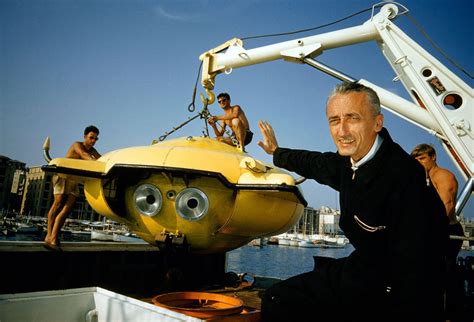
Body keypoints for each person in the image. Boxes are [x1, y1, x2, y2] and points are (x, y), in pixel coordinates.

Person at [257, 82, 448, 322]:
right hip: (364, 265)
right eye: (334, 120)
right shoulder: (349, 163)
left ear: (377, 123)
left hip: (399, 283)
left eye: (353, 118)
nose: (342, 131)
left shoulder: (403, 177)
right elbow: (314, 163)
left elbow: (419, 262)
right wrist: (276, 152)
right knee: (278, 298)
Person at [411, 143, 465, 319]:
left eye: (422, 158)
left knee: (443, 274)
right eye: (416, 160)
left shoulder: (443, 176)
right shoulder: (423, 178)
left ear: (433, 157)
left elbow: (446, 208)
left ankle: (449, 314)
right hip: (431, 232)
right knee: (428, 274)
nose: (419, 162)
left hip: (446, 232)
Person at [44, 125, 101, 250]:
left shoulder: (93, 151)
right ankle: (49, 237)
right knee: (58, 204)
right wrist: (95, 162)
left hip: (74, 180)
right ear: (85, 136)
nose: (93, 141)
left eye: (96, 139)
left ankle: (54, 236)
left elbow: (101, 159)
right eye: (91, 138)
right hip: (63, 176)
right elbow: (83, 154)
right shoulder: (77, 144)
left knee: (66, 210)